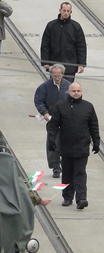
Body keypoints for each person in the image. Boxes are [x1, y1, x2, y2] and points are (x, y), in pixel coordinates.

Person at [48, 82, 100, 210]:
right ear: (68, 92)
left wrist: (96, 141)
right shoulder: (60, 107)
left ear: (81, 91)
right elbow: (53, 125)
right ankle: (67, 197)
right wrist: (51, 140)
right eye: (73, 91)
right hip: (66, 146)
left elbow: (93, 125)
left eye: (78, 90)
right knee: (67, 172)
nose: (76, 93)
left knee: (80, 172)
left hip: (82, 146)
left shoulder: (88, 106)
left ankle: (81, 198)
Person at [34, 64, 70, 178]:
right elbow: (39, 100)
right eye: (54, 75)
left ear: (63, 74)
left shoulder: (69, 86)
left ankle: (66, 165)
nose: (57, 77)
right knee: (52, 142)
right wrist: (45, 113)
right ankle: (55, 167)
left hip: (67, 120)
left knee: (67, 143)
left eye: (59, 75)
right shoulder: (44, 87)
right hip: (52, 120)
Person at [40, 2, 87, 81]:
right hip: (55, 65)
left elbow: (81, 46)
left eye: (68, 11)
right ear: (60, 10)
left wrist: (81, 64)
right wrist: (45, 62)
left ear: (71, 12)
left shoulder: (75, 26)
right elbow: (45, 44)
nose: (66, 13)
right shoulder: (51, 26)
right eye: (64, 10)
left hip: (70, 66)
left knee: (68, 89)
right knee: (55, 88)